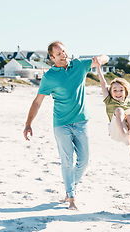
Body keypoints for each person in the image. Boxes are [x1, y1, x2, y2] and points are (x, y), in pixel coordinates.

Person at [23, 41, 109, 210]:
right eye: (59, 53)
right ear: (52, 57)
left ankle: (70, 187)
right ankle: (71, 197)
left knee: (83, 161)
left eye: (64, 51)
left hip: (82, 121)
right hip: (61, 124)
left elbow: (105, 57)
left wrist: (99, 59)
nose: (63, 54)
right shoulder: (49, 77)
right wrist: (28, 124)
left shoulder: (79, 65)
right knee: (67, 162)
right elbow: (38, 102)